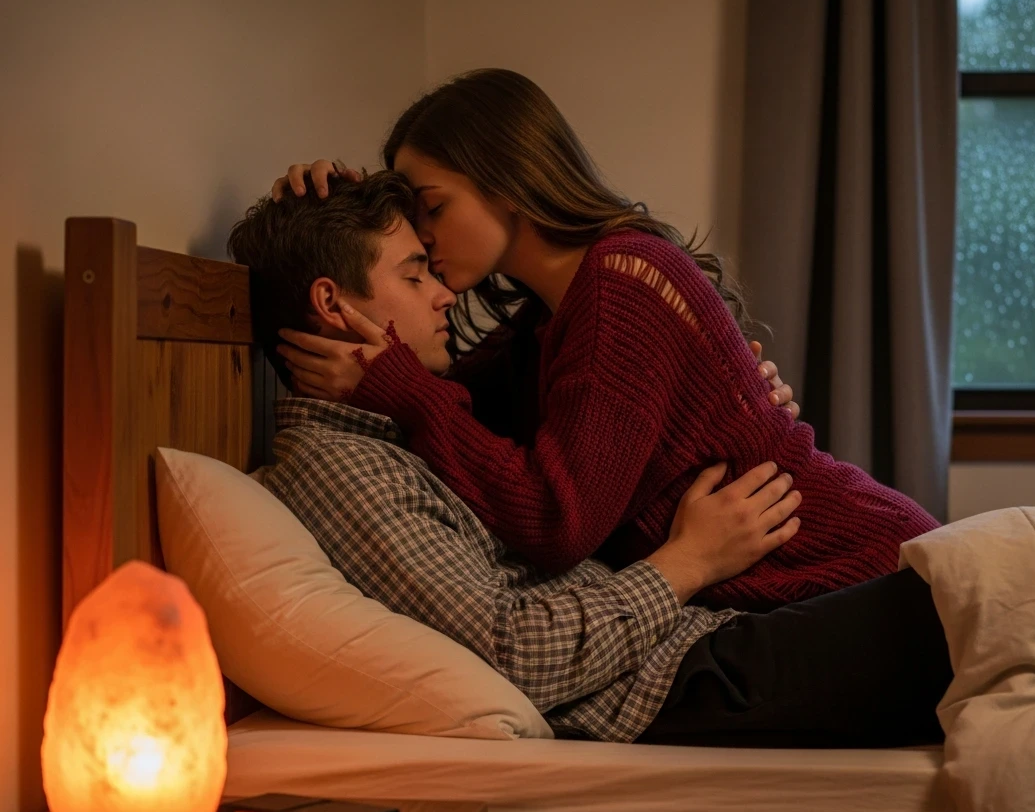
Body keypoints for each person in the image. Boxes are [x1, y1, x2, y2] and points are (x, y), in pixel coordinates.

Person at [227, 171, 954, 748]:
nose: (447, 293)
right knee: (973, 603)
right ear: (330, 302)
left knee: (987, 579)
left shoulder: (408, 421)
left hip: (682, 641)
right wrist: (686, 564)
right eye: (415, 274)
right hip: (658, 682)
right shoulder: (340, 469)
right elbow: (512, 655)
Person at [270, 68, 940, 613]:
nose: (424, 237)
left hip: (863, 576)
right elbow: (450, 408)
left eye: (433, 208)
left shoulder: (621, 283)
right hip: (823, 596)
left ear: (507, 181)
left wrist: (401, 387)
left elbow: (558, 523)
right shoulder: (545, 325)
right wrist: (332, 211)